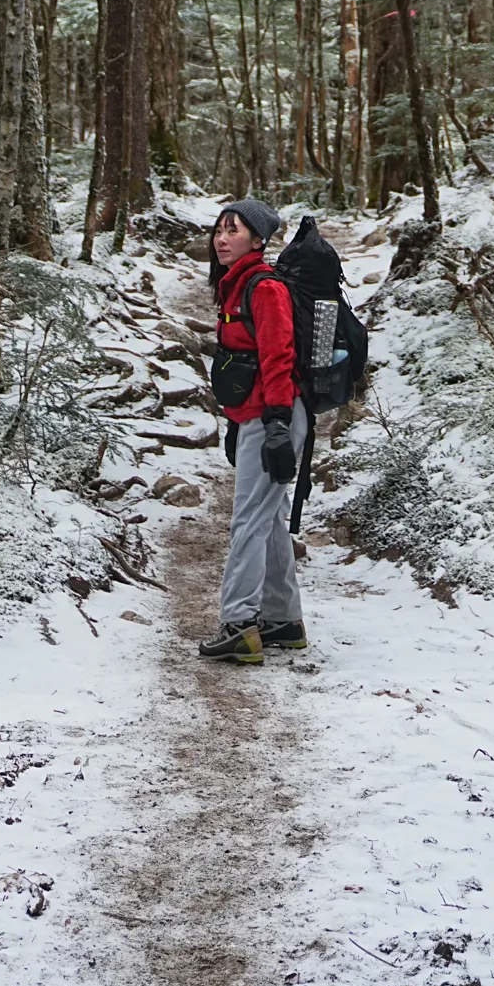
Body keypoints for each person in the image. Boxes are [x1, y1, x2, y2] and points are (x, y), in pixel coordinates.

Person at [198, 196, 308, 664]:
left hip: (275, 416)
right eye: (219, 230)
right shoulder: (235, 284)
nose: (222, 239)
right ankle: (283, 618)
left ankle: (240, 623)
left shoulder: (263, 287)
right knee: (266, 515)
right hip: (256, 416)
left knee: (248, 519)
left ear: (258, 241)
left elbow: (278, 356)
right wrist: (234, 420)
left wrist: (278, 424)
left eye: (233, 231)